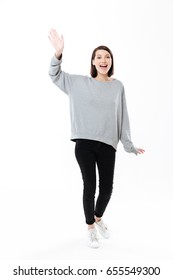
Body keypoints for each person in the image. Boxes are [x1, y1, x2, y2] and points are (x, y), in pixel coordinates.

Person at [48, 29, 145, 249]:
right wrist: (58, 53)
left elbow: (123, 117)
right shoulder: (77, 83)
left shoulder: (118, 86)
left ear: (111, 62)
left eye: (107, 57)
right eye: (99, 56)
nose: (103, 60)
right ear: (93, 61)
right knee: (89, 185)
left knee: (107, 189)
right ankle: (90, 228)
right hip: (84, 143)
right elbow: (54, 75)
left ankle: (98, 218)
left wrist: (129, 145)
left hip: (108, 145)